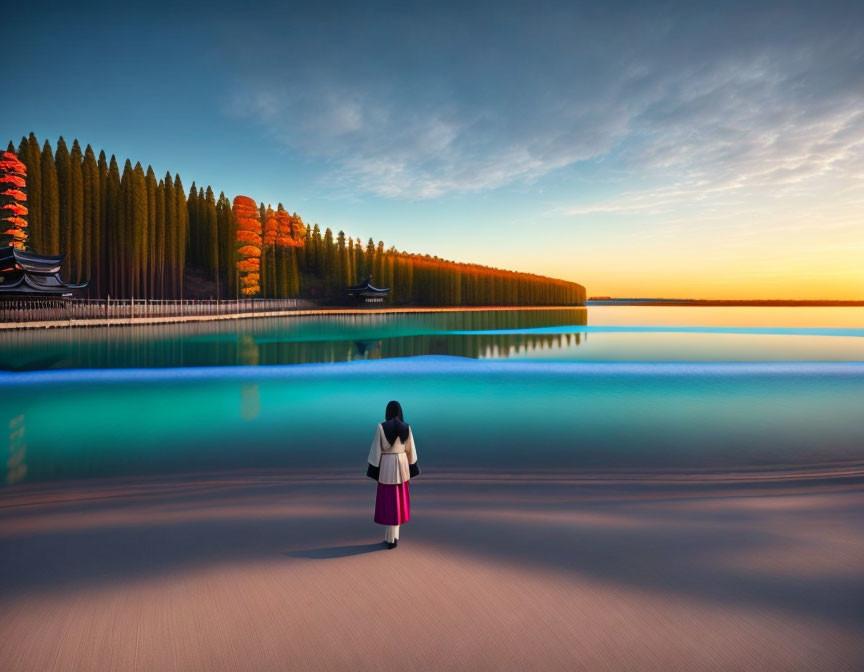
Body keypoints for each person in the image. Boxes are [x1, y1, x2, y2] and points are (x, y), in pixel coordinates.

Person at [366, 400, 420, 548]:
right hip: (402, 465)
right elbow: (411, 450)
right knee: (399, 500)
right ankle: (394, 536)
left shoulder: (381, 427)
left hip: (387, 466)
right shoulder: (406, 427)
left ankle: (391, 538)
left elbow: (376, 450)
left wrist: (373, 467)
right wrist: (412, 465)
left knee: (389, 501)